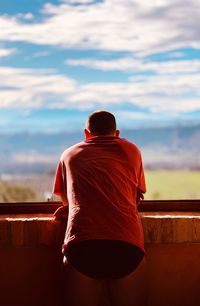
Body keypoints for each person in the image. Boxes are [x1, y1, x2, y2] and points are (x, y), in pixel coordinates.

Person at [53, 110, 147, 306]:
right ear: (117, 133)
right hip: (126, 245)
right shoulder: (132, 151)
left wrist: (71, 207)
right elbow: (135, 197)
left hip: (83, 245)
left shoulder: (68, 155)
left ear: (87, 134)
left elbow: (66, 200)